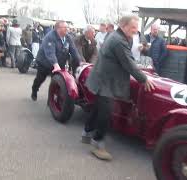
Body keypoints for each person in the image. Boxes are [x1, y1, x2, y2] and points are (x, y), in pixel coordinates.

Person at [82, 15, 155, 161]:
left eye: (136, 27)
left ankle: (87, 132)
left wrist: (139, 68)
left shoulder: (121, 37)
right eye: (133, 27)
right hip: (105, 81)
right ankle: (97, 142)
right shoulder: (118, 40)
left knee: (97, 107)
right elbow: (128, 63)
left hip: (104, 78)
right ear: (123, 26)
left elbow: (127, 59)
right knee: (106, 113)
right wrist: (144, 78)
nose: (136, 31)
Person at [31, 20, 81, 101]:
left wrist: (80, 62)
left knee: (57, 82)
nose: (67, 29)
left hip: (59, 63)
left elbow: (74, 50)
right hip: (45, 63)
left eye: (67, 27)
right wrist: (55, 64)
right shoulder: (50, 37)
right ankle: (34, 90)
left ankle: (51, 101)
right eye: (65, 27)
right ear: (58, 28)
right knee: (40, 79)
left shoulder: (68, 37)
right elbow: (50, 53)